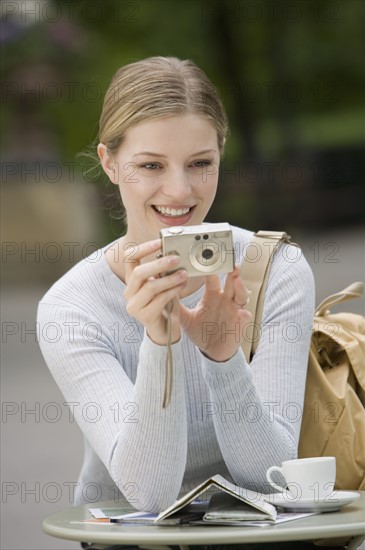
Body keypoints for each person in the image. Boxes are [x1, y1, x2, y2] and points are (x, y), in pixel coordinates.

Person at [38, 57, 341, 550]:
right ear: (110, 163)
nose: (180, 191)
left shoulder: (276, 269)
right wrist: (161, 341)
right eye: (151, 165)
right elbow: (150, 494)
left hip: (262, 539)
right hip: (134, 541)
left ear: (222, 154)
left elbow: (271, 475)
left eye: (201, 163)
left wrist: (222, 357)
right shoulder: (72, 307)